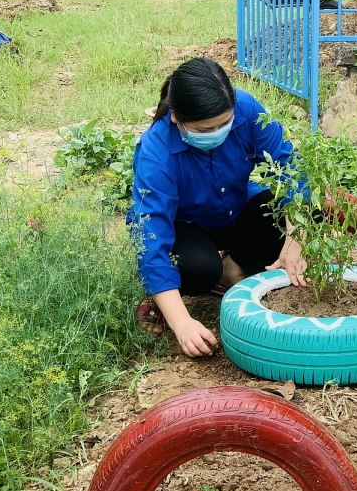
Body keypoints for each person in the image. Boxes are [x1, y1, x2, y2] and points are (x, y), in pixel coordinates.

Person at [128, 57, 307, 358]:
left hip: (233, 209)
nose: (219, 131)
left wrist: (296, 238)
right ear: (177, 119)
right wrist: (182, 323)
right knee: (197, 269)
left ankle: (231, 268)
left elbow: (291, 167)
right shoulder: (155, 153)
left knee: (277, 211)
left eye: (226, 123)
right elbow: (151, 240)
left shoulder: (247, 110)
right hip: (184, 226)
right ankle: (178, 291)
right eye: (205, 128)